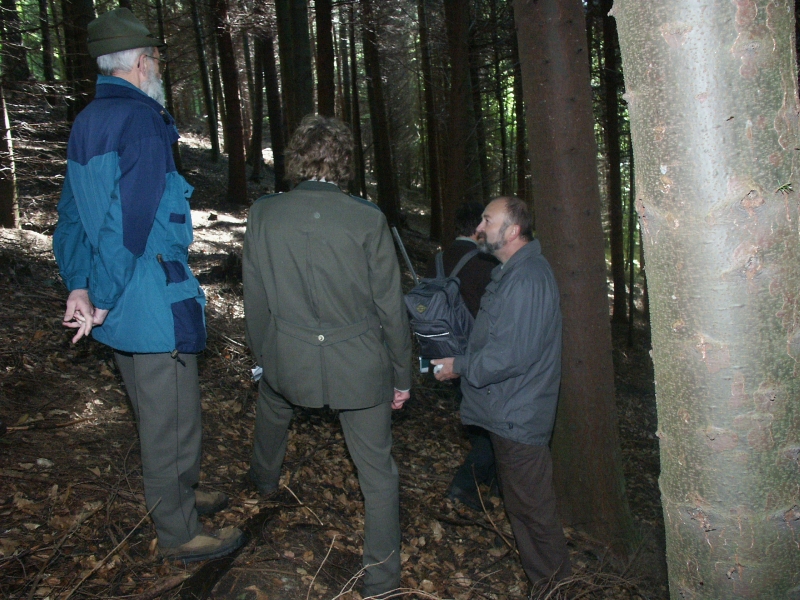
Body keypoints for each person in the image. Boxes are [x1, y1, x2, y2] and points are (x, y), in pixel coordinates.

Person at [52, 8, 244, 563]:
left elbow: (71, 216)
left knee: (159, 413)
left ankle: (178, 492)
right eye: (156, 58)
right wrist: (104, 295)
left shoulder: (88, 119)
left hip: (116, 293)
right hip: (147, 294)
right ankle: (179, 533)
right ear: (140, 62)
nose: (158, 66)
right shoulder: (141, 121)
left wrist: (79, 286)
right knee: (170, 421)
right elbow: (127, 225)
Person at [243, 114, 412, 597]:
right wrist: (402, 375)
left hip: (288, 357)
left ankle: (262, 482)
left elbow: (256, 297)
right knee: (377, 473)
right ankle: (382, 581)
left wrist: (263, 356)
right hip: (358, 366)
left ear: (296, 158)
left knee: (273, 402)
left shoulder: (264, 214)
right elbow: (390, 308)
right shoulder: (368, 218)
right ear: (345, 162)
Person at [432, 196, 571, 585]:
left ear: (512, 231)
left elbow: (511, 355)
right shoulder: (513, 274)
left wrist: (459, 366)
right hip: (510, 412)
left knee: (535, 516)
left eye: (487, 221)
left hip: (519, 417)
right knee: (524, 512)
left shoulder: (526, 279)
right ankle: (548, 588)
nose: (479, 228)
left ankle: (557, 590)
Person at [425, 202, 499, 511]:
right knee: (491, 429)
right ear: (478, 229)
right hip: (474, 355)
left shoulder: (439, 259)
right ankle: (463, 486)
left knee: (479, 421)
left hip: (443, 352)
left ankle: (491, 487)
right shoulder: (484, 262)